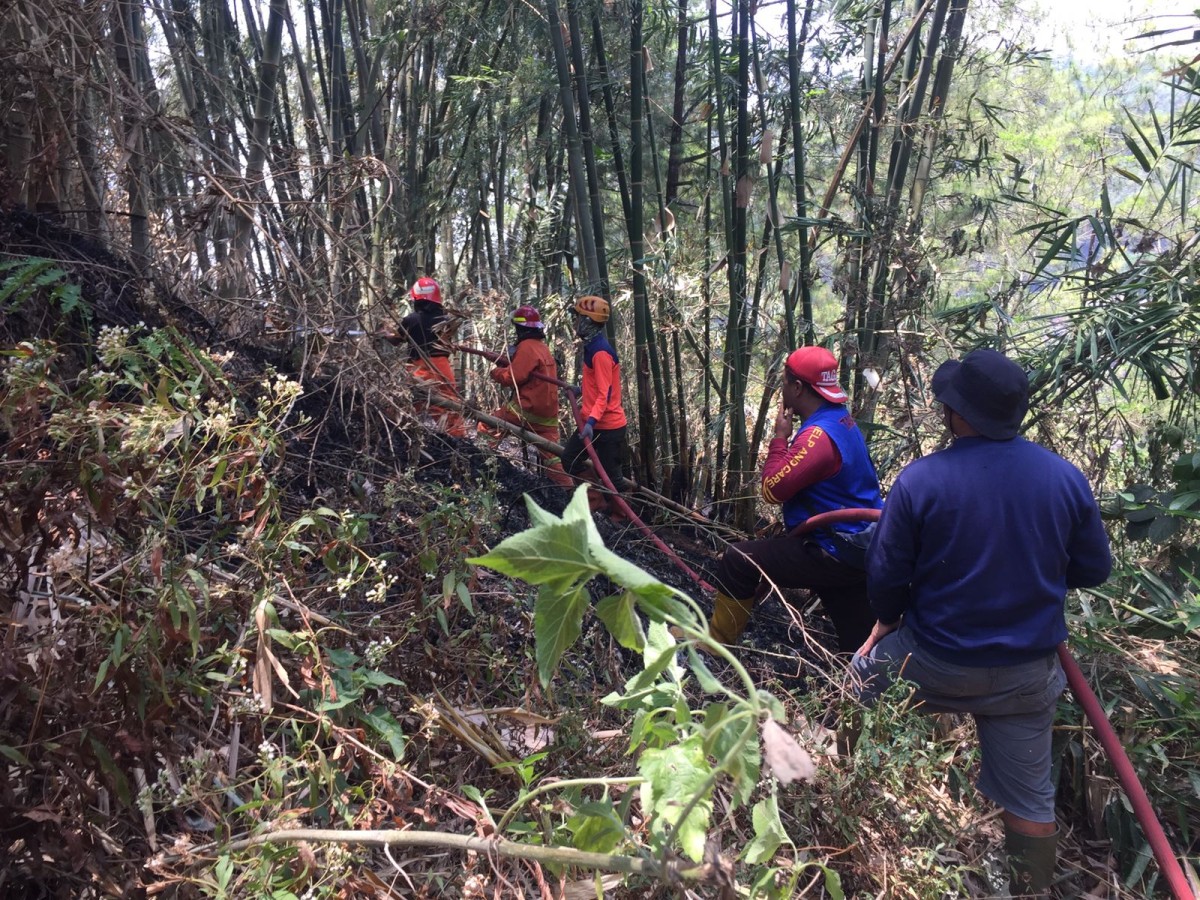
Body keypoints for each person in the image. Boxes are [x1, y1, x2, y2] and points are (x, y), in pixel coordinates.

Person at [852, 348, 1112, 897]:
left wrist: (885, 622)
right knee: (1031, 801)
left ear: (957, 413)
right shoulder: (1064, 477)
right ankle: (1030, 887)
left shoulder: (922, 480)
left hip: (932, 661)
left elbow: (886, 575)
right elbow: (1093, 569)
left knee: (855, 685)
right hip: (1025, 674)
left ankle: (850, 809)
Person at [704, 346, 883, 654]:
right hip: (859, 545)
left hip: (833, 548)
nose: (782, 389)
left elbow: (773, 490)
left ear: (798, 388)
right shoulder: (841, 420)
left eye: (785, 382)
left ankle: (715, 644)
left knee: (738, 561)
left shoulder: (818, 437)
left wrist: (779, 439)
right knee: (856, 643)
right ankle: (866, 689)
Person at [477, 305, 572, 487]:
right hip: (548, 415)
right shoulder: (542, 348)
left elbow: (513, 376)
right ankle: (568, 490)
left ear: (520, 328)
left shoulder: (527, 347)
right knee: (552, 457)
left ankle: (483, 467)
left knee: (488, 426)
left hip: (526, 410)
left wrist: (495, 372)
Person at [560, 295, 628, 517]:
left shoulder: (600, 352)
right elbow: (598, 385)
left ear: (588, 321)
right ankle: (595, 502)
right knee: (570, 458)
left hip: (607, 426)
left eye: (578, 318)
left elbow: (605, 394)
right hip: (594, 421)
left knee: (613, 477)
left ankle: (622, 519)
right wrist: (581, 390)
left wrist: (590, 422)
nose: (575, 323)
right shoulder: (592, 348)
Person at [380, 277, 466, 437]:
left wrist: (386, 334)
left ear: (416, 298)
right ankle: (460, 443)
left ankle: (392, 432)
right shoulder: (446, 320)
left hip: (417, 367)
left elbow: (396, 340)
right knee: (448, 406)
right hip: (442, 367)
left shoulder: (410, 320)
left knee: (406, 401)